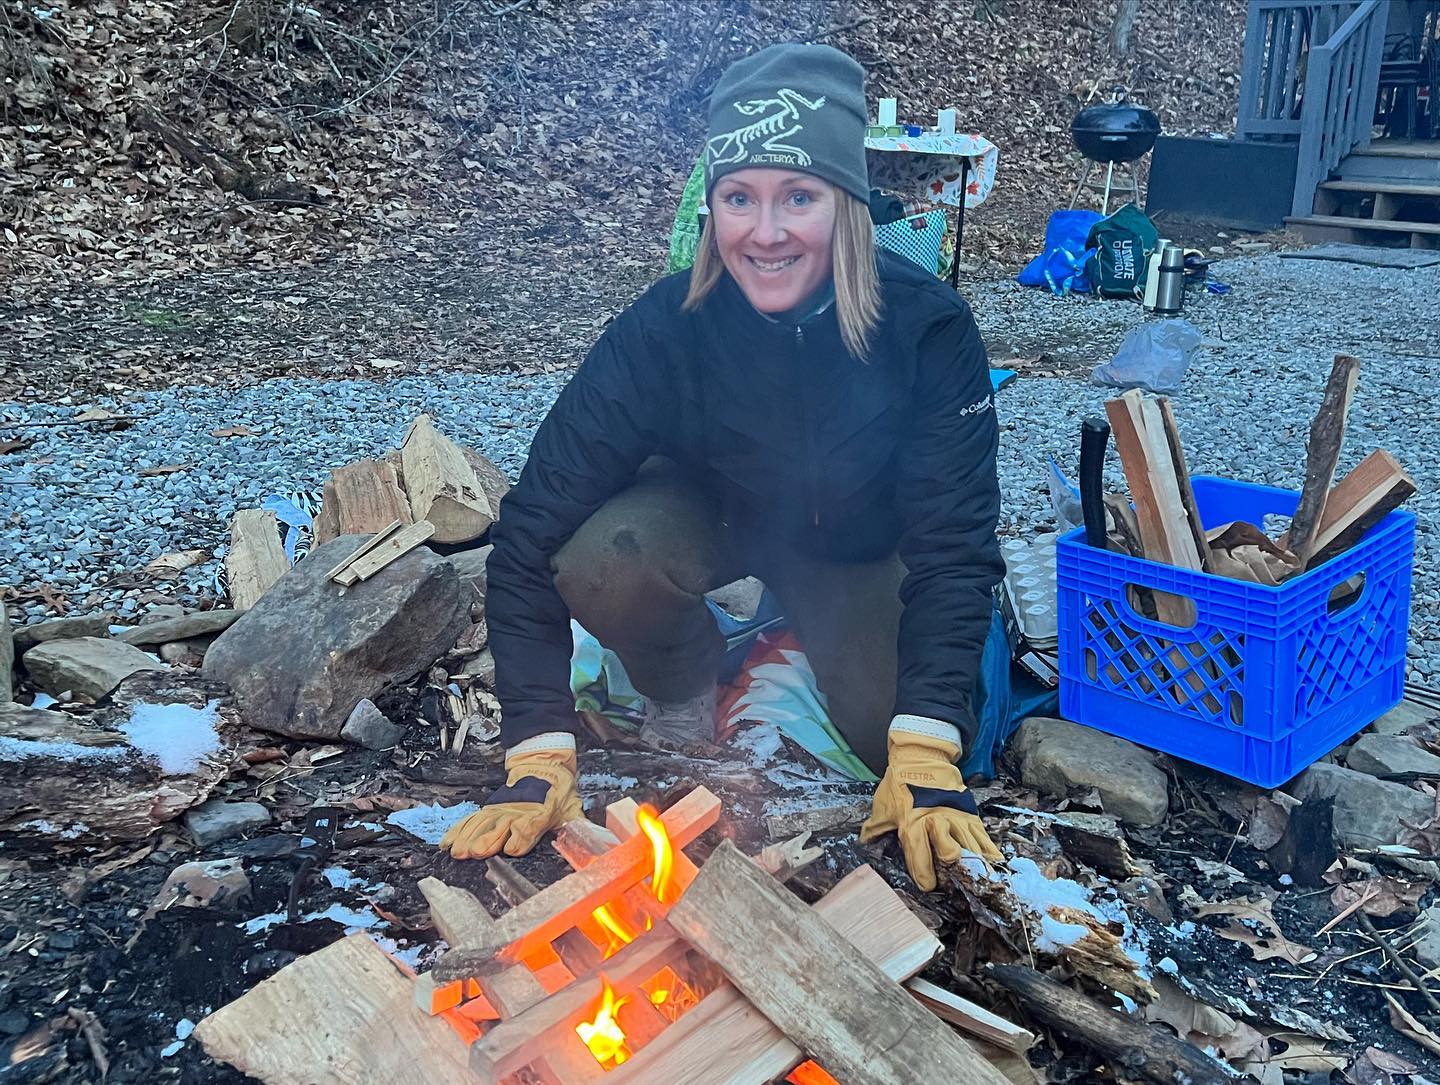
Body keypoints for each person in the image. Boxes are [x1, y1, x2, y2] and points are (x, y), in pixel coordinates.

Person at [440, 43, 1005, 891]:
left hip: (858, 543)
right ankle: (683, 682)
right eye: (740, 198)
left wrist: (926, 745)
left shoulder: (928, 328)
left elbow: (955, 543)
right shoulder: (665, 329)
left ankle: (826, 643)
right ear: (712, 208)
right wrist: (538, 752)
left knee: (901, 734)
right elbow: (528, 532)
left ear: (848, 205)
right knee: (603, 561)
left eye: (799, 197)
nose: (765, 233)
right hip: (721, 512)